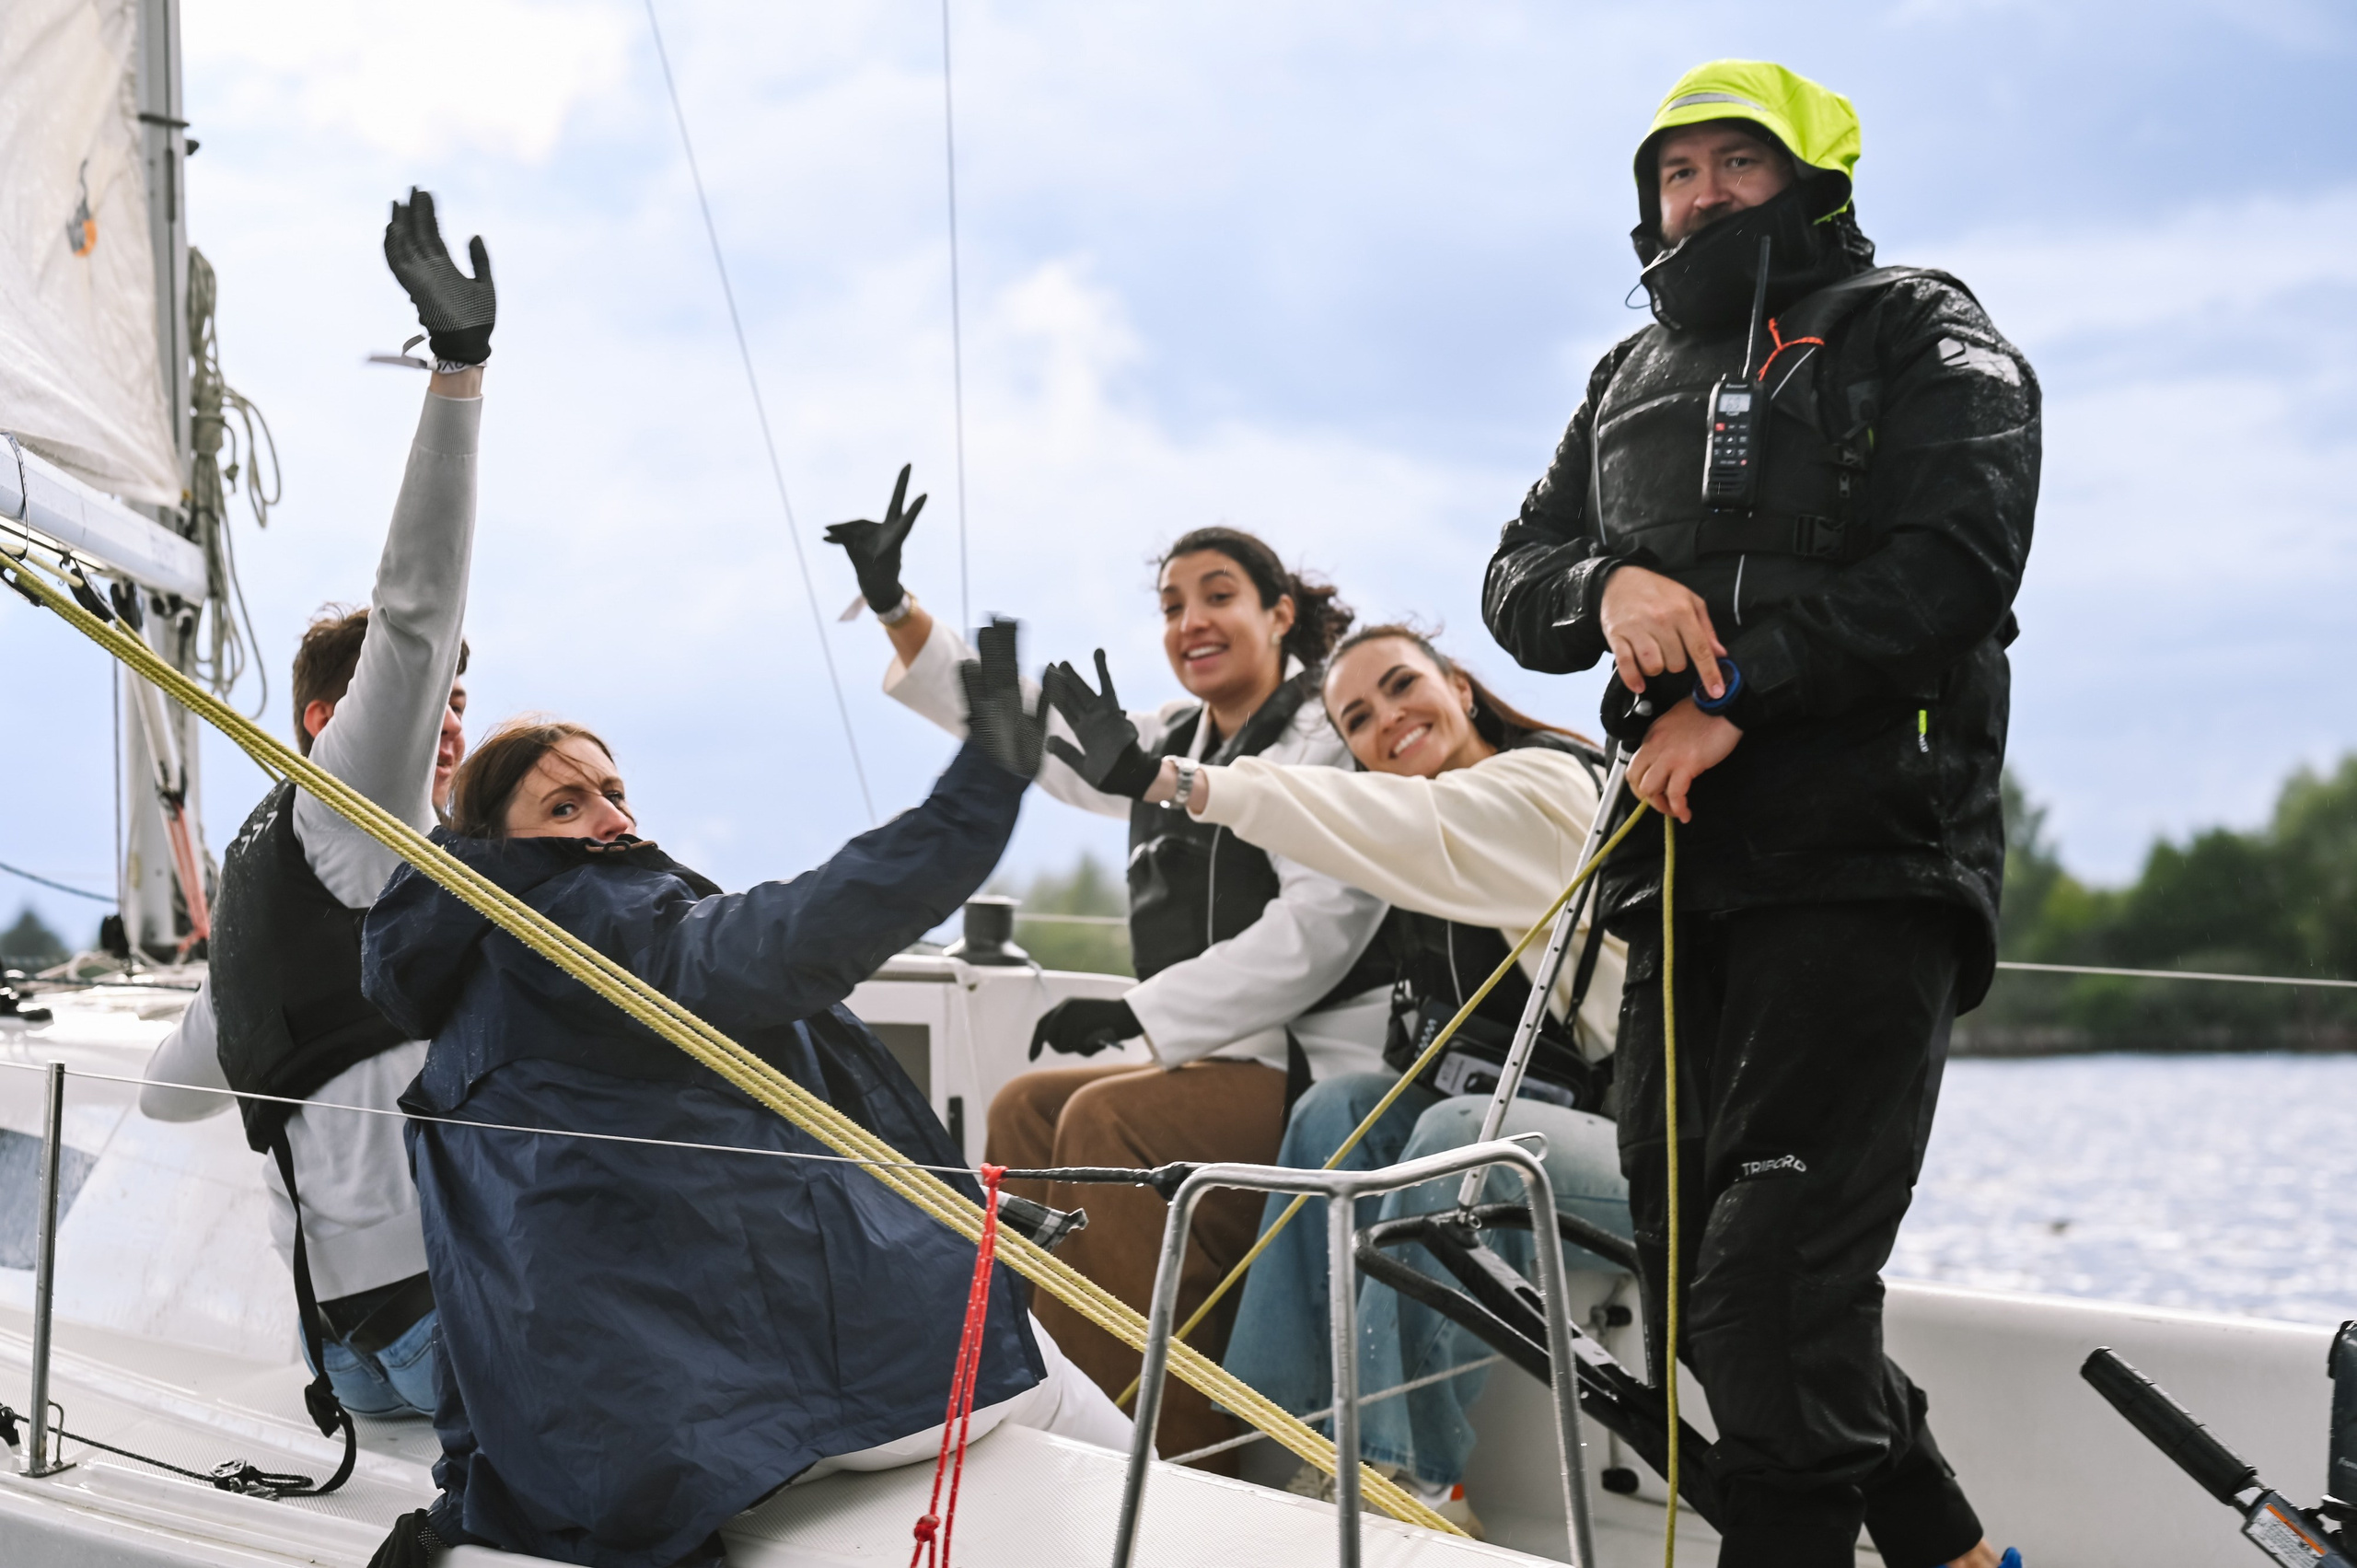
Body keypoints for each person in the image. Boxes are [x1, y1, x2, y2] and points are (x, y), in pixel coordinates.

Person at [1482, 60, 2034, 1568]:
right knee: (1701, 1288)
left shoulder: (1920, 325)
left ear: (1813, 180)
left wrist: (1738, 693)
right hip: (1680, 883)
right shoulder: (1622, 376)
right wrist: (1607, 582)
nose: (1704, 194)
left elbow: (1959, 562)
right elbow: (1516, 579)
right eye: (1678, 171)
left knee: (1770, 1290)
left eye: (1740, 162)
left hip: (1866, 865)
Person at [358, 625, 1130, 1568]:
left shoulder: (461, 1012)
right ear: (495, 847)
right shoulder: (591, 918)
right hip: (775, 1407)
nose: (610, 817)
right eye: (565, 804)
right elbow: (795, 931)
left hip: (627, 1442)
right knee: (1097, 1429)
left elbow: (478, 1281)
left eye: (613, 790)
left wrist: (468, 1481)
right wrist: (984, 782)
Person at [829, 483, 1391, 1463]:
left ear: (1280, 614)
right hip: (1211, 1061)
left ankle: (1151, 1452)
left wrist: (1139, 1008)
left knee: (1106, 1124)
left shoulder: (1322, 739)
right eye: (1172, 606)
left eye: (1217, 595)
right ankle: (1031, 1397)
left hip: (1314, 1070)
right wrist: (894, 604)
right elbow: (1026, 728)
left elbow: (1322, 929)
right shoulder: (1169, 740)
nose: (1190, 621)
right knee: (1024, 1110)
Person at [1055, 623, 1629, 1529]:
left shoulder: (1547, 786)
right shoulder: (1415, 839)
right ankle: (1289, 1445)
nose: (1386, 718)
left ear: (1461, 687)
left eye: (1402, 685)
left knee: (1458, 1137)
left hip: (1645, 1160)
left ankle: (1412, 1483)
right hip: (1534, 1141)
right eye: (1357, 717)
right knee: (1339, 1109)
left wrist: (1179, 780)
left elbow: (1409, 821)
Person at [139, 188, 492, 1422]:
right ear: (329, 721)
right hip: (446, 1320)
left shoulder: (263, 876)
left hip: (345, 1356)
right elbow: (416, 611)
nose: (450, 724)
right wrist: (458, 370)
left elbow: (166, 1093)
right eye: (437, 705)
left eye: (461, 706)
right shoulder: (352, 805)